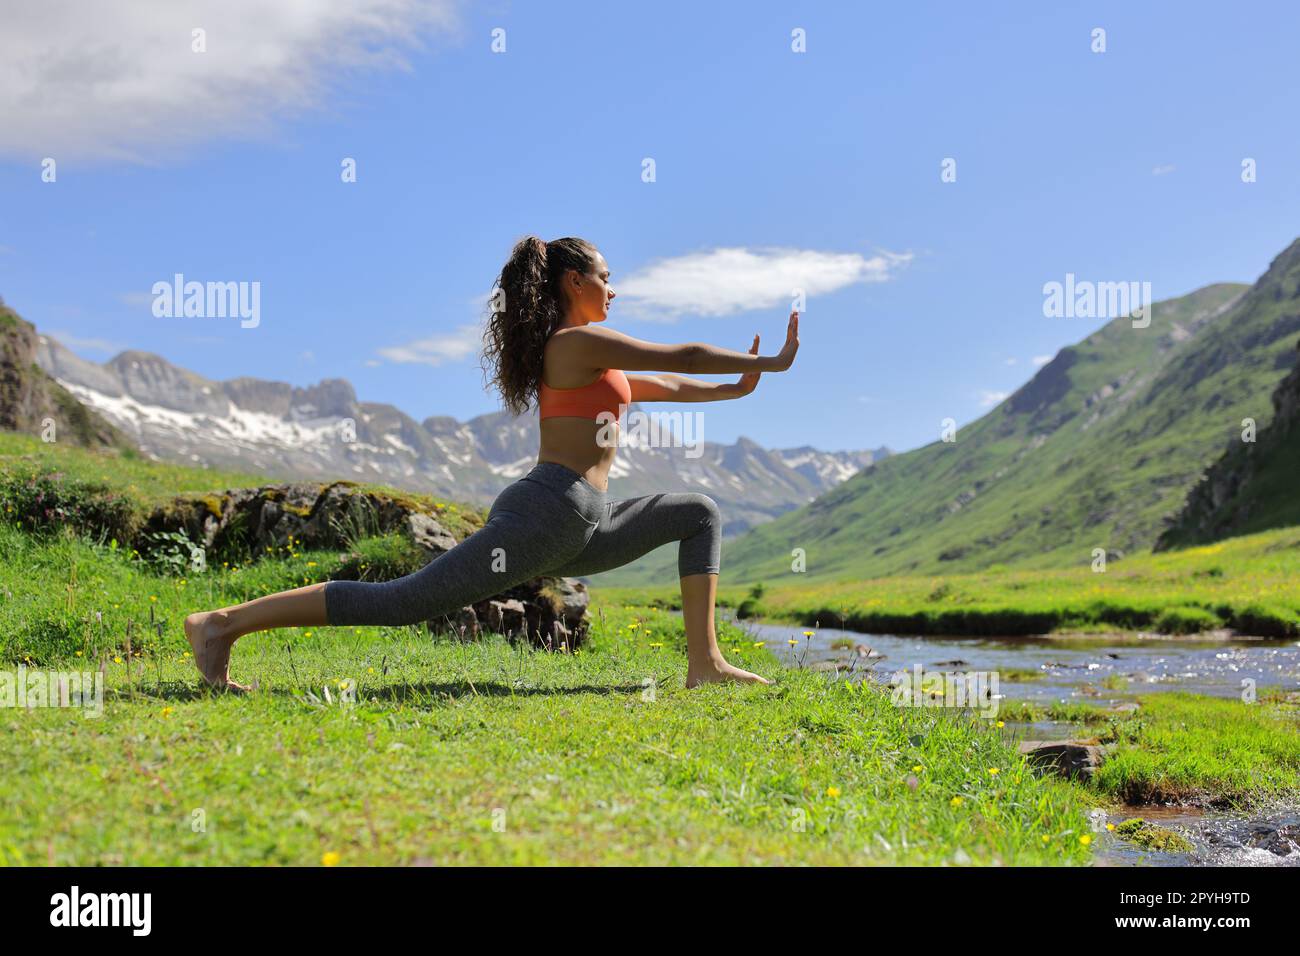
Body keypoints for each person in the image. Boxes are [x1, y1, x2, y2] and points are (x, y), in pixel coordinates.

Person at [185, 235, 800, 691]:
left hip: (581, 524)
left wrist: (735, 390)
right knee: (403, 601)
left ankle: (705, 665)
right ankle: (220, 624)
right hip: (546, 512)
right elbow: (682, 352)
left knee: (698, 512)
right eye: (606, 277)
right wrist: (771, 362)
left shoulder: (596, 363)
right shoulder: (573, 343)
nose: (615, 289)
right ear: (572, 283)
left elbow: (666, 382)